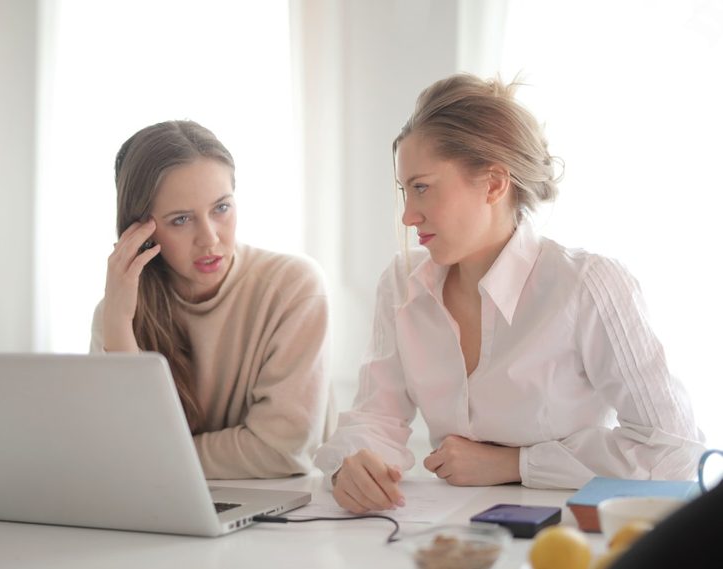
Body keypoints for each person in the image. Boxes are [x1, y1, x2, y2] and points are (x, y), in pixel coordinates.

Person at [315, 73, 704, 513]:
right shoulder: (402, 283)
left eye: (421, 187)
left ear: (495, 184)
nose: (407, 215)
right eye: (405, 191)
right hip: (442, 532)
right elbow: (376, 415)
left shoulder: (587, 285)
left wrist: (516, 464)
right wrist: (353, 465)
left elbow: (675, 450)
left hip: (565, 535)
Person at [90, 120, 334, 479]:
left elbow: (284, 451)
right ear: (139, 231)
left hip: (290, 513)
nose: (209, 239)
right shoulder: (118, 314)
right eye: (181, 219)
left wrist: (158, 457)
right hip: (167, 507)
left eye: (221, 208)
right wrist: (118, 327)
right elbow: (119, 451)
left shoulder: (294, 287)